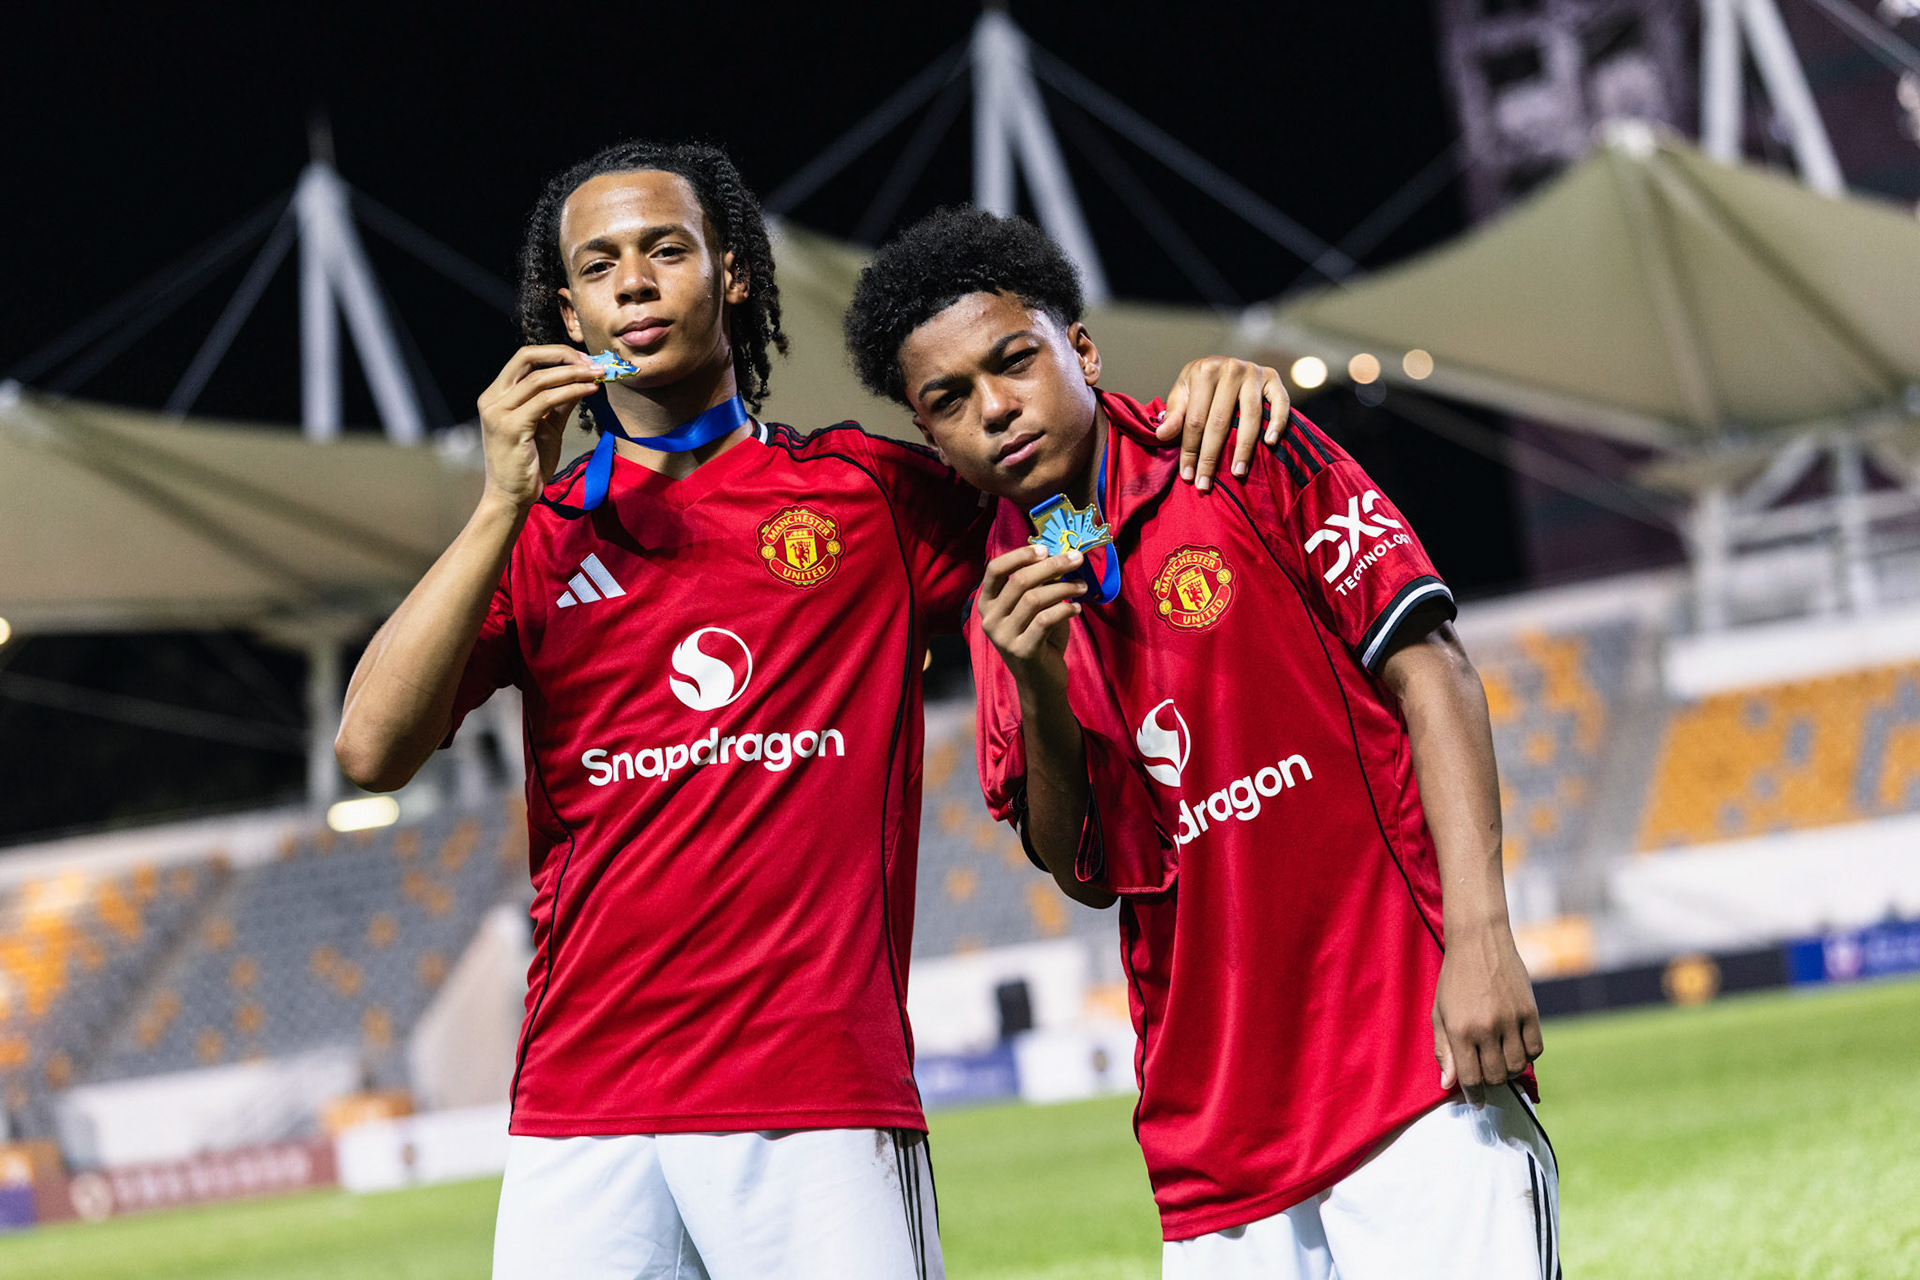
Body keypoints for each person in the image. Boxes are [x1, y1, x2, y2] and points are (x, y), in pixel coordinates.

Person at [333, 140, 1284, 1280]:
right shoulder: (540, 539)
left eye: (665, 249)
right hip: (582, 1106)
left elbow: (1061, 511)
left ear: (732, 274)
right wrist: (499, 501)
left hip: (816, 1093)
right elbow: (371, 748)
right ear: (567, 308)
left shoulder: (864, 499)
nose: (634, 281)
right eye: (600, 265)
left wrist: (1190, 408)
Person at [844, 207, 1559, 1280]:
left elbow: (1434, 670)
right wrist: (1036, 678)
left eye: (1014, 361)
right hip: (1211, 1136)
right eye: (949, 399)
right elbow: (1083, 870)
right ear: (929, 433)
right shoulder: (1002, 601)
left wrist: (1481, 933)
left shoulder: (1238, 450)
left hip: (1413, 1062)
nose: (995, 408)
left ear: (1079, 349)